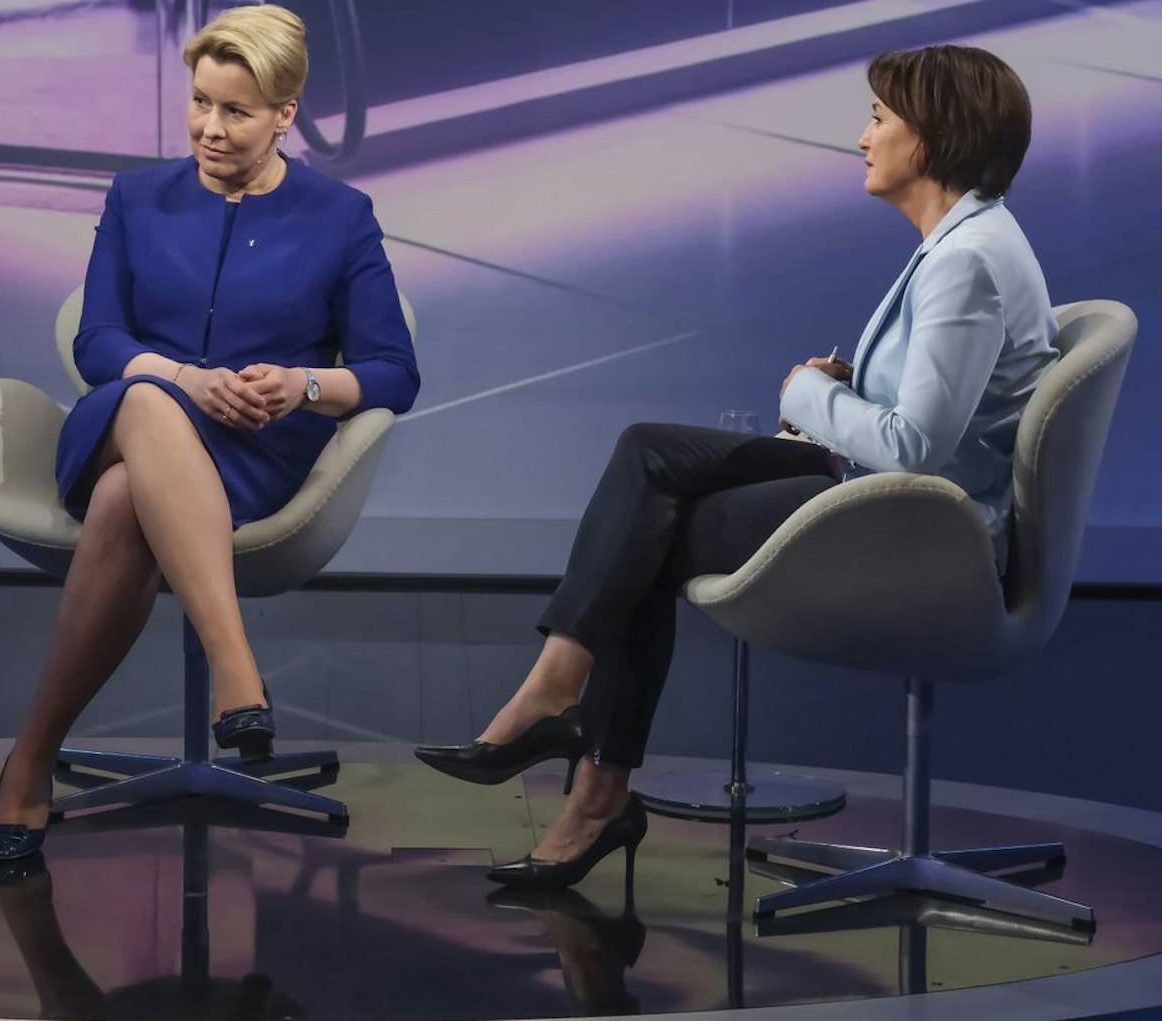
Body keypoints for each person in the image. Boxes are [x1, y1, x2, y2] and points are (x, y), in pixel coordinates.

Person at [416, 45, 1058, 891]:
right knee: (649, 452)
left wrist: (805, 390)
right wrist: (846, 386)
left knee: (650, 531)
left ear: (932, 138)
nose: (860, 137)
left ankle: (585, 765)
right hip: (880, 496)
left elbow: (914, 447)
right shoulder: (967, 241)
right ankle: (567, 718)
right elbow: (939, 412)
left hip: (917, 531)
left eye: (877, 118)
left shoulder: (967, 259)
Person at [0, 4, 420, 860]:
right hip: (124, 418)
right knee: (147, 404)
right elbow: (98, 340)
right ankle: (236, 669)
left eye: (236, 111)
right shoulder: (138, 196)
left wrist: (304, 383)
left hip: (255, 453)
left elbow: (393, 370)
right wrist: (183, 378)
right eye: (200, 102)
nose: (209, 128)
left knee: (121, 503)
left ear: (285, 115)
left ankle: (28, 763)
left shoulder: (341, 216)